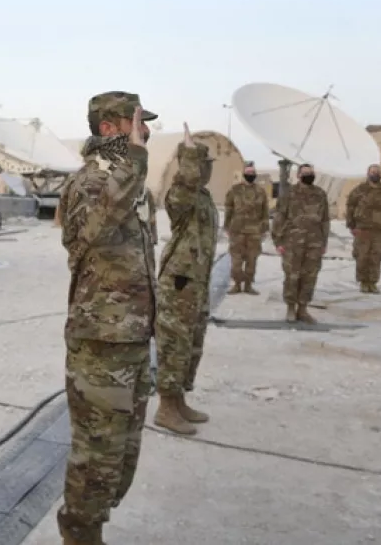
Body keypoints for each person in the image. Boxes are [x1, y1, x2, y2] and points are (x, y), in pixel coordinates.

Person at [57, 91, 157, 544]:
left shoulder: (130, 184)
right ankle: (79, 534)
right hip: (100, 341)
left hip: (131, 335)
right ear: (109, 129)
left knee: (120, 454)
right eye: (136, 123)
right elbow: (96, 231)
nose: (145, 132)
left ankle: (93, 528)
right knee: (97, 454)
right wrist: (134, 159)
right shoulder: (88, 184)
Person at [154, 124, 218, 436]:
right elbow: (184, 185)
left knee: (192, 343)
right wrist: (188, 155)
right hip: (179, 281)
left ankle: (178, 400)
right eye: (201, 165)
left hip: (198, 280)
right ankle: (165, 408)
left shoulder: (203, 197)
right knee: (175, 343)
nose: (205, 171)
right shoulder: (181, 195)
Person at [271, 163, 330, 324]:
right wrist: (278, 241)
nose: (308, 175)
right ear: (298, 175)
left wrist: (324, 241)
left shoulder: (320, 194)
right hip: (292, 242)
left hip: (314, 242)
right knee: (292, 275)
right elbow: (279, 218)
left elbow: (325, 219)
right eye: (305, 173)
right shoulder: (289, 194)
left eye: (311, 172)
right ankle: (290, 307)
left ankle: (303, 308)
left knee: (310, 276)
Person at [345, 163, 381, 294]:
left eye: (377, 172)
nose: (375, 174)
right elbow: (350, 207)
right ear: (368, 174)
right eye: (373, 172)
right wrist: (351, 225)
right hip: (362, 229)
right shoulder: (359, 190)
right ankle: (363, 282)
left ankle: (373, 282)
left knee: (377, 256)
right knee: (362, 256)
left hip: (379, 230)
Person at [223, 161, 269, 295]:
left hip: (254, 232)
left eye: (252, 173)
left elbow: (265, 212)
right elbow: (229, 209)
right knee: (236, 260)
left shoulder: (260, 191)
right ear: (244, 174)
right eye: (248, 173)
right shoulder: (234, 190)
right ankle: (237, 284)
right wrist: (226, 226)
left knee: (252, 259)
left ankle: (248, 285)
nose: (250, 175)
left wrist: (264, 229)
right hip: (237, 231)